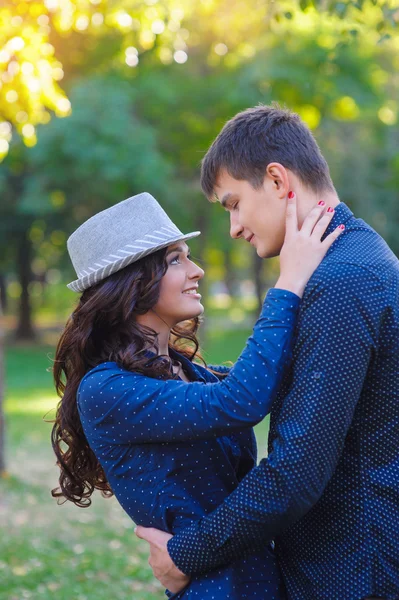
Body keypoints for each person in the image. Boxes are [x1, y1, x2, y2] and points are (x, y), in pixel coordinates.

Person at [136, 106, 399, 600]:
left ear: (277, 180)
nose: (234, 227)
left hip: (354, 574)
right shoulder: (351, 260)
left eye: (234, 203)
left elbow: (295, 473)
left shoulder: (343, 282)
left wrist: (185, 554)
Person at [51, 191, 342, 599]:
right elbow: (241, 401)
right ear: (132, 284)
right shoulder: (106, 391)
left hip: (266, 579)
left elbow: (267, 379)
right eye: (176, 260)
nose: (198, 270)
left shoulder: (189, 373)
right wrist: (288, 283)